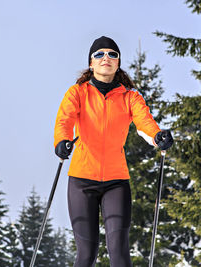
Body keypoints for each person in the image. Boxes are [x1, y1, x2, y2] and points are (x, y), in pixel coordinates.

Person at [54, 36, 173, 267]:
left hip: (116, 181)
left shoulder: (130, 97)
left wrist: (157, 137)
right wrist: (62, 141)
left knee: (118, 249)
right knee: (86, 252)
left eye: (112, 54)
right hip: (81, 181)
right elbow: (64, 121)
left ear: (118, 63)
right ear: (91, 63)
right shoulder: (77, 93)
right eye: (99, 54)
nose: (105, 58)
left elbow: (145, 123)